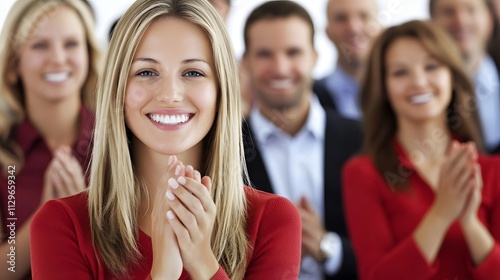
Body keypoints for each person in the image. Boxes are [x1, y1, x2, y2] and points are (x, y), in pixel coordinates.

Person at [30, 0, 302, 279]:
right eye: (146, 72)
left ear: (221, 92)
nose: (170, 94)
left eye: (193, 72)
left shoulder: (273, 221)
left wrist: (203, 263)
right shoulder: (60, 225)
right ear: (117, 90)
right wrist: (162, 272)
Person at [343, 20, 500, 280]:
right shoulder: (363, 174)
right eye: (400, 72)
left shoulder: (492, 170)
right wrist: (441, 214)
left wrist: (469, 221)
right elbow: (376, 276)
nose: (418, 81)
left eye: (431, 67)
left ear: (452, 76)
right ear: (383, 87)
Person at [241, 1, 362, 279]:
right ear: (246, 61)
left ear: (315, 56)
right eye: (264, 54)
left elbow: (386, 253)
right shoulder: (223, 148)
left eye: (293, 52)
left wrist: (326, 246)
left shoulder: (363, 138)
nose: (280, 68)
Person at [0, 0, 101, 278]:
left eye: (71, 44)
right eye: (40, 45)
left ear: (89, 55)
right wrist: (47, 217)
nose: (57, 58)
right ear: (13, 63)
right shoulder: (3, 153)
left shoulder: (120, 141)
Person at [430, 0, 500, 154]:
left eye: (471, 10)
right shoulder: (426, 89)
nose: (461, 21)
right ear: (432, 24)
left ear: (489, 20)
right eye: (448, 12)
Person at [313, 0, 380, 120]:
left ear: (379, 26)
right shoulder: (311, 97)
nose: (354, 28)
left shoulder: (402, 92)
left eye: (364, 16)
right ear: (327, 32)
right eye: (341, 18)